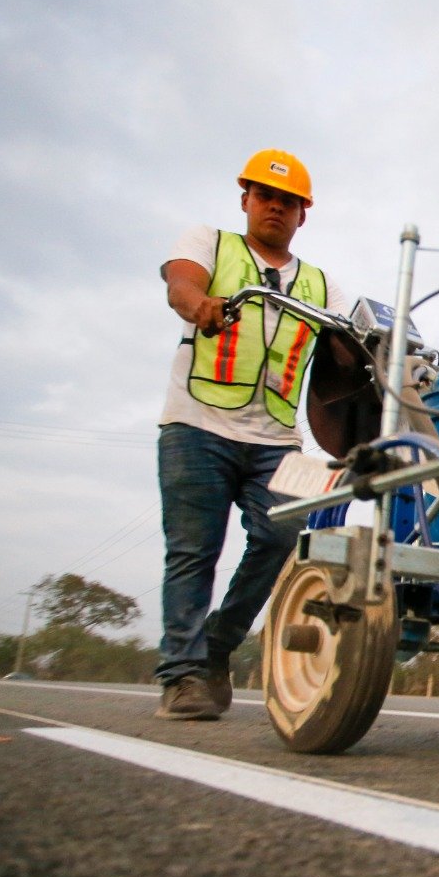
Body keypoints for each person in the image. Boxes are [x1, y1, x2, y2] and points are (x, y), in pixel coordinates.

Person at [153, 149, 350, 720]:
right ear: (246, 199)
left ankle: (218, 644)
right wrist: (201, 305)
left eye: (288, 201)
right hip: (196, 426)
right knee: (193, 552)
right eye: (265, 196)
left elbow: (349, 344)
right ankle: (183, 676)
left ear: (303, 214)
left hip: (277, 439)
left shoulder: (320, 284)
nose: (275, 207)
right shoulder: (209, 243)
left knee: (281, 534)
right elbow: (180, 285)